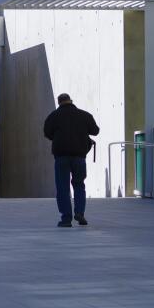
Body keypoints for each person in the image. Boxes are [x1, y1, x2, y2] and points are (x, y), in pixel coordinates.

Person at [43, 93, 100, 227]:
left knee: (63, 187)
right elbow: (95, 131)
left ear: (59, 102)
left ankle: (66, 218)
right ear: (71, 101)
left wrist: (58, 137)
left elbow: (47, 133)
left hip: (61, 156)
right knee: (79, 185)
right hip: (79, 156)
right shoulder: (84, 115)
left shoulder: (53, 116)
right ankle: (80, 212)